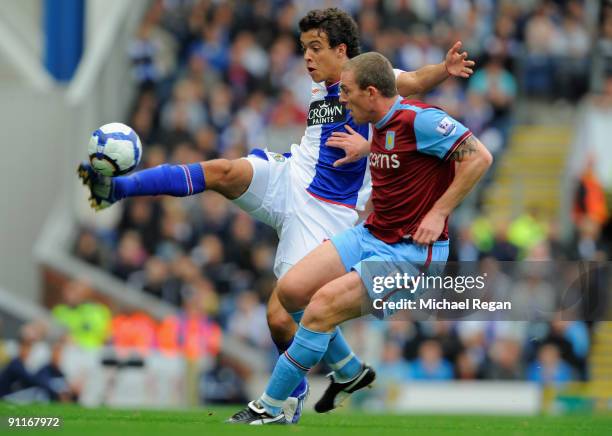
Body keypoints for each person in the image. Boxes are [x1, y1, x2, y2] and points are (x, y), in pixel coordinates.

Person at [78, 8, 475, 423]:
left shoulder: (369, 80)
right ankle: (116, 189)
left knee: (280, 313)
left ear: (342, 50)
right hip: (290, 175)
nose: (306, 58)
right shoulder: (323, 87)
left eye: (316, 49)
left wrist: (444, 70)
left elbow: (413, 82)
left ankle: (302, 391)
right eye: (304, 48)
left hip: (326, 211)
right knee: (223, 171)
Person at [227, 51, 492, 424]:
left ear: (370, 92)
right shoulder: (380, 124)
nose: (342, 98)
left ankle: (270, 407)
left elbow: (479, 157)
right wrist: (366, 147)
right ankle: (349, 369)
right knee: (290, 291)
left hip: (411, 256)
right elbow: (401, 150)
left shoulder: (422, 120)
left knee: (319, 310)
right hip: (371, 234)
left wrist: (439, 212)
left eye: (348, 92)